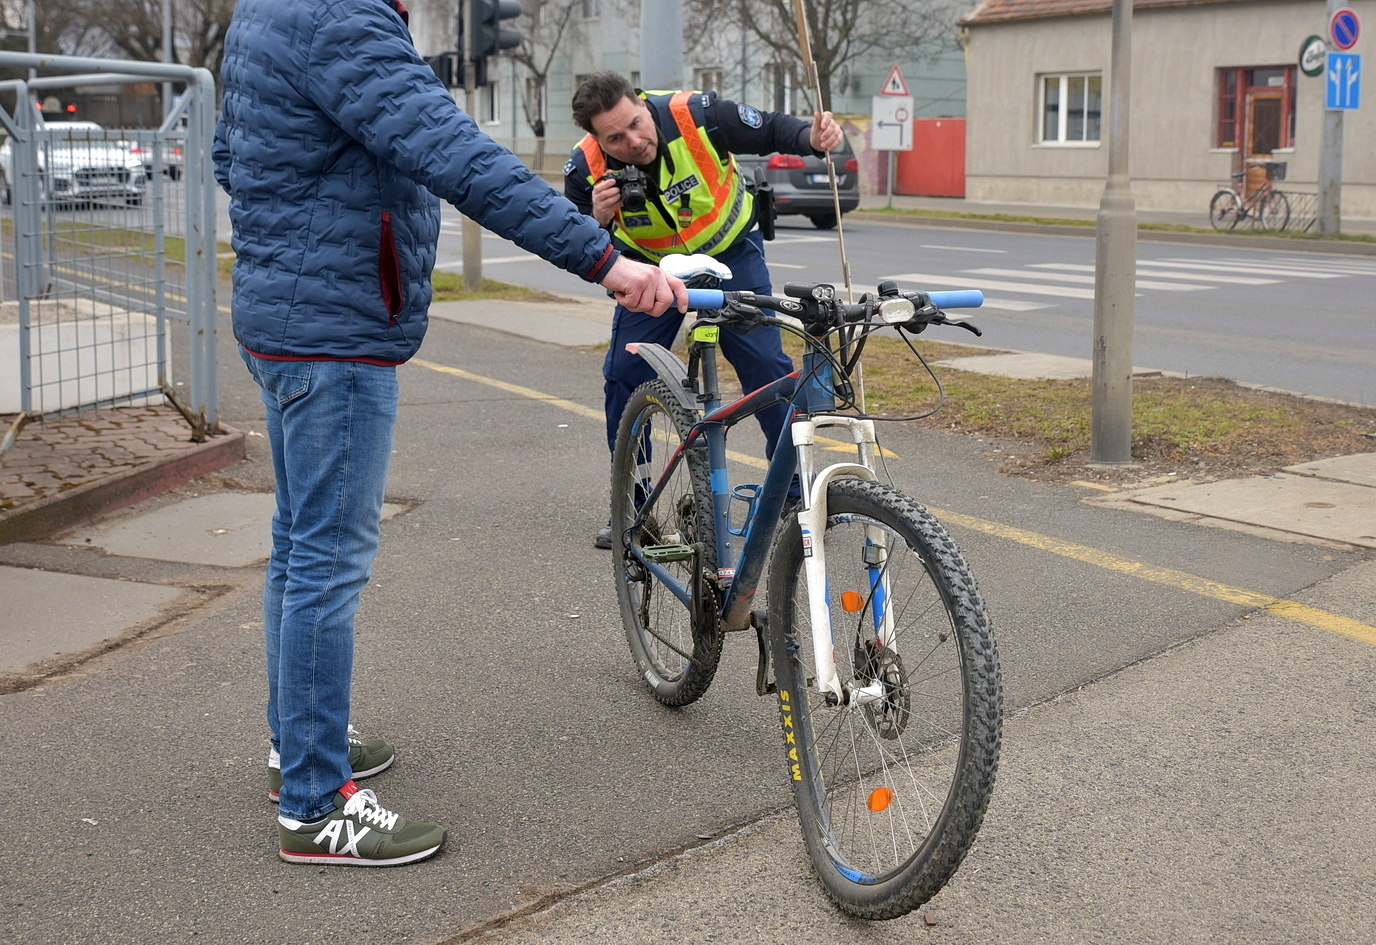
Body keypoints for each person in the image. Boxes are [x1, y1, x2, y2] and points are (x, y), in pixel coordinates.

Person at [213, 0, 686, 867]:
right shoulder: (343, 22)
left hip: (282, 320)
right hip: (335, 337)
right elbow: (460, 158)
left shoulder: (265, 12)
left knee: (296, 547)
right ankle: (316, 804)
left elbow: (226, 155)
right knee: (327, 560)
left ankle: (297, 744)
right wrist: (607, 260)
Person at [564, 72, 843, 548]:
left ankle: (800, 492)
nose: (633, 141)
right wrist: (596, 218)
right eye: (615, 138)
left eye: (635, 124)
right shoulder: (584, 169)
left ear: (642, 102)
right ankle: (634, 505)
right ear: (596, 138)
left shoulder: (697, 114)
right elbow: (575, 245)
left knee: (765, 368)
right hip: (652, 271)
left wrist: (811, 139)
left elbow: (774, 128)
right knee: (624, 374)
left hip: (730, 255)